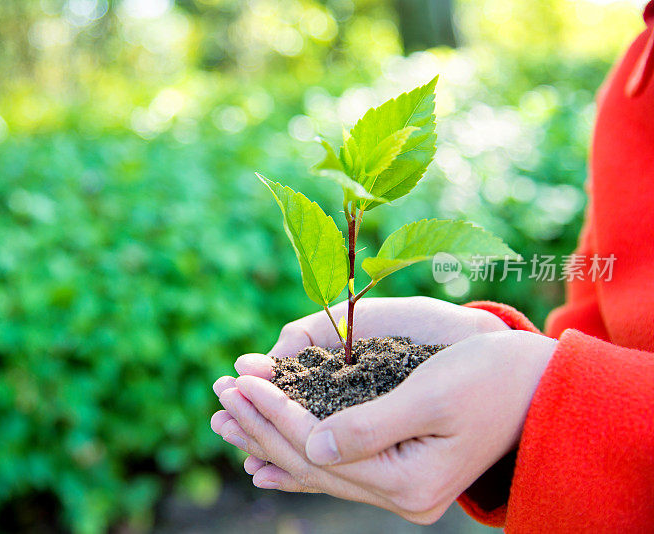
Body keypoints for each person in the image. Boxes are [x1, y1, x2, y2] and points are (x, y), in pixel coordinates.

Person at [210, 2, 654, 532]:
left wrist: (543, 395)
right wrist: (518, 406)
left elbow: (565, 385)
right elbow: (599, 334)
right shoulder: (634, 75)